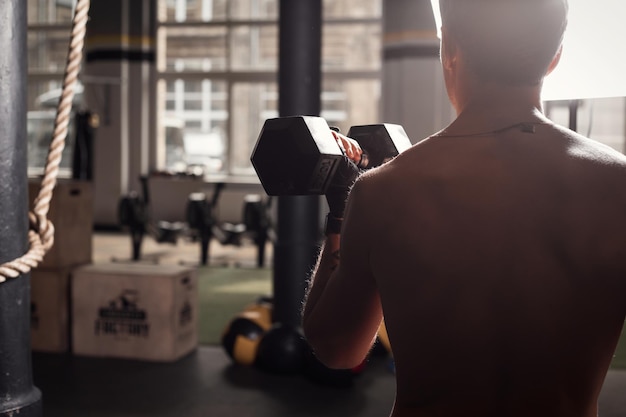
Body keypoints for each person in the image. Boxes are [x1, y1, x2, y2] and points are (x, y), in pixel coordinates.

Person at [302, 0, 626, 416]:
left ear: (449, 46)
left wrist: (341, 210)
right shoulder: (618, 185)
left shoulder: (383, 191)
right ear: (555, 57)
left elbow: (337, 349)